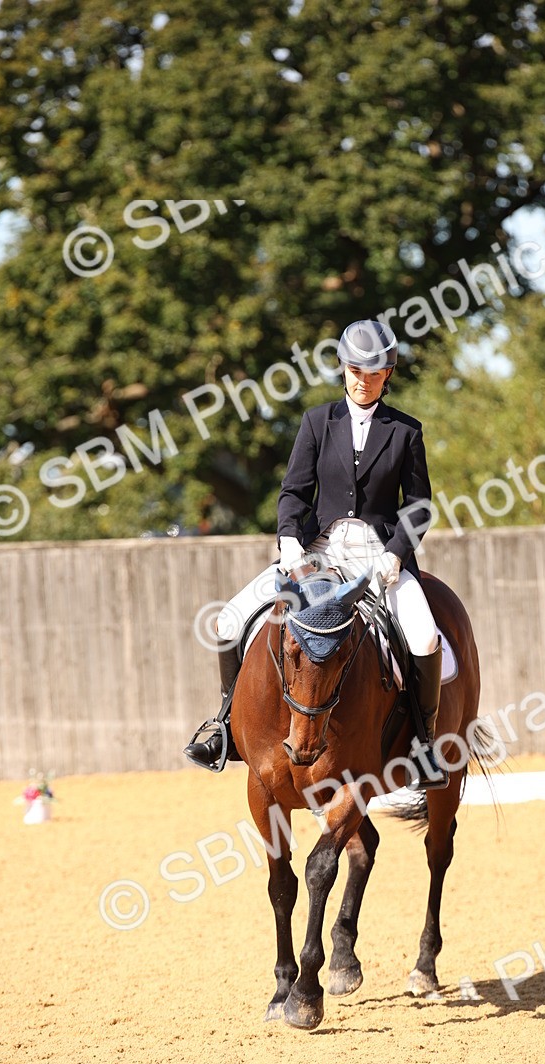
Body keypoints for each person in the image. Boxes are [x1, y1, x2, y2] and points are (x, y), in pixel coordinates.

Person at [184, 318, 449, 788]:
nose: (363, 381)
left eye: (373, 373)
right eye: (355, 371)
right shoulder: (316, 422)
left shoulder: (406, 431)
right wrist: (289, 540)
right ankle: (225, 724)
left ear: (387, 374)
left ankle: (424, 743)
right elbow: (293, 492)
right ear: (343, 368)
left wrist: (396, 552)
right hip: (316, 553)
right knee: (228, 622)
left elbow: (419, 505)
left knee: (426, 639)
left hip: (377, 558)